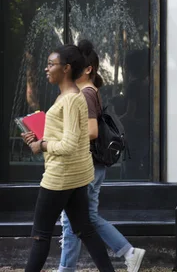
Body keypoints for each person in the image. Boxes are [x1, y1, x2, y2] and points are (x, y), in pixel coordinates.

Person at [21, 44, 114, 272]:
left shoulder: (72, 99)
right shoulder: (68, 96)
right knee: (85, 230)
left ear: (66, 68)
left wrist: (41, 145)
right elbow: (69, 135)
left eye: (51, 64)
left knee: (40, 236)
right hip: (75, 176)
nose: (46, 68)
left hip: (60, 177)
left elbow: (70, 144)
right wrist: (39, 136)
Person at [57, 40, 146, 272]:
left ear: (87, 69)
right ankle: (129, 252)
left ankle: (65, 269)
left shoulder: (85, 94)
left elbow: (93, 131)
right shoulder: (91, 91)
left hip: (86, 165)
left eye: (74, 66)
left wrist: (62, 137)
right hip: (94, 165)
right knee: (88, 218)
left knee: (71, 221)